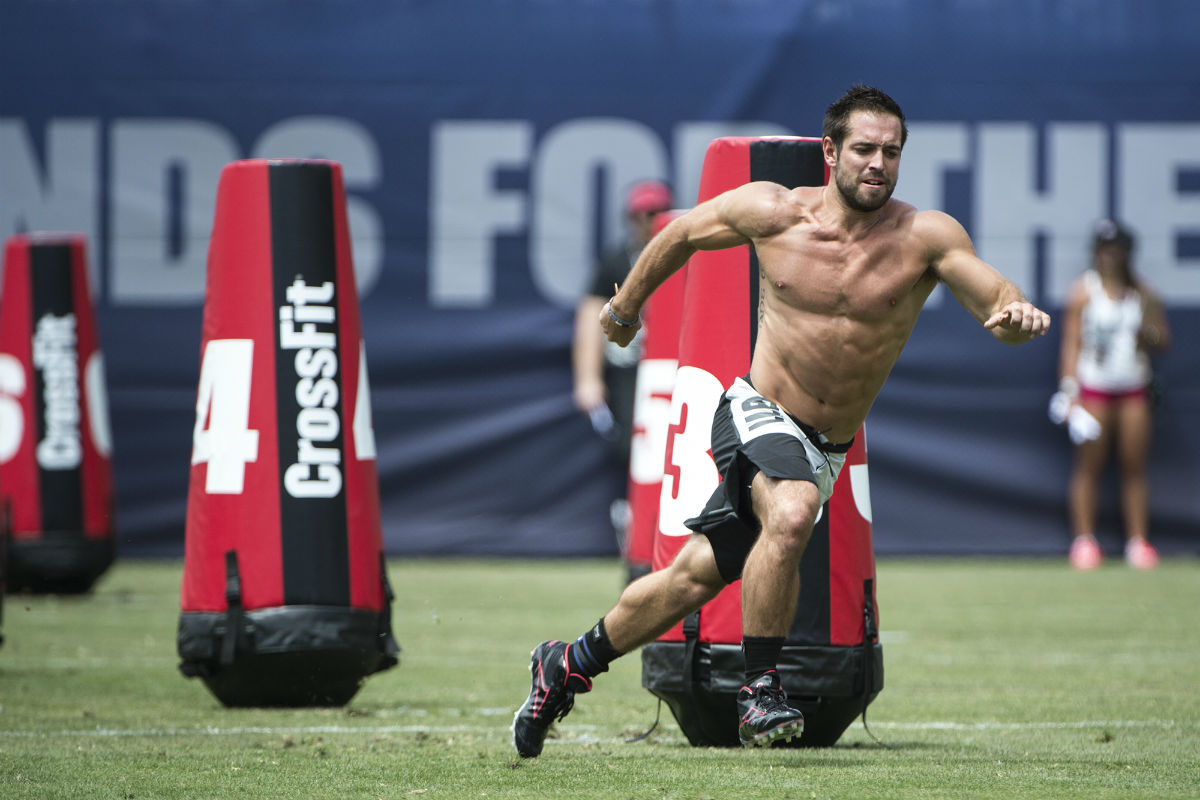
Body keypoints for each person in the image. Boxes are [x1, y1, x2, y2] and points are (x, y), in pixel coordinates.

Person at [514, 84, 1050, 757]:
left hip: (824, 448)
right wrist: (625, 309)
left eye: (891, 152)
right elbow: (678, 232)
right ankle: (761, 689)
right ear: (830, 151)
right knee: (792, 515)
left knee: (692, 579)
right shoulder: (773, 211)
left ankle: (566, 664)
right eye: (863, 149)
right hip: (754, 412)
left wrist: (1015, 317)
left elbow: (995, 297)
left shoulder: (925, 237)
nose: (877, 163)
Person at [1053, 219, 1170, 571]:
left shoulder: (1144, 293)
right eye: (1104, 249)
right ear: (1096, 253)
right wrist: (1069, 389)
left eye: (1116, 249)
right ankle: (1084, 541)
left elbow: (1162, 340)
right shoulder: (1083, 292)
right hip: (1094, 389)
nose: (1110, 256)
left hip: (1133, 387)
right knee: (1088, 466)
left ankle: (1138, 542)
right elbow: (1071, 345)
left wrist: (1147, 335)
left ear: (1126, 253)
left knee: (1134, 466)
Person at [572, 180, 674, 556]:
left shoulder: (684, 251)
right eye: (641, 215)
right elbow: (589, 317)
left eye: (655, 213)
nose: (648, 222)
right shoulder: (616, 260)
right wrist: (587, 378)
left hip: (672, 365)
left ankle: (667, 526)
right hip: (630, 368)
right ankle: (634, 526)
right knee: (631, 446)